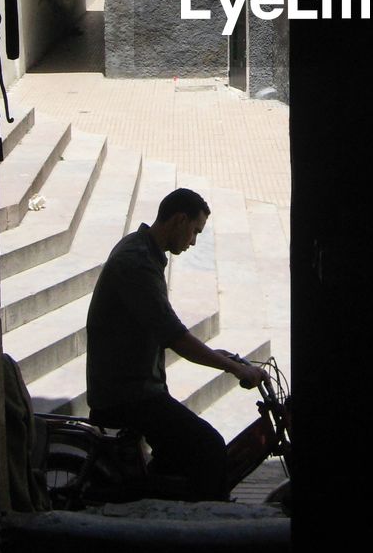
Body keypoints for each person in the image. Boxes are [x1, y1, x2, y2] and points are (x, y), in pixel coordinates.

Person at [85, 186, 265, 500]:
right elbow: (175, 336)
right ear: (179, 220)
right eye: (195, 231)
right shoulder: (137, 263)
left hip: (139, 387)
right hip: (128, 394)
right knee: (208, 447)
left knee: (178, 458)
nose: (194, 241)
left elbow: (164, 327)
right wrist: (234, 369)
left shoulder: (144, 253)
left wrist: (222, 357)